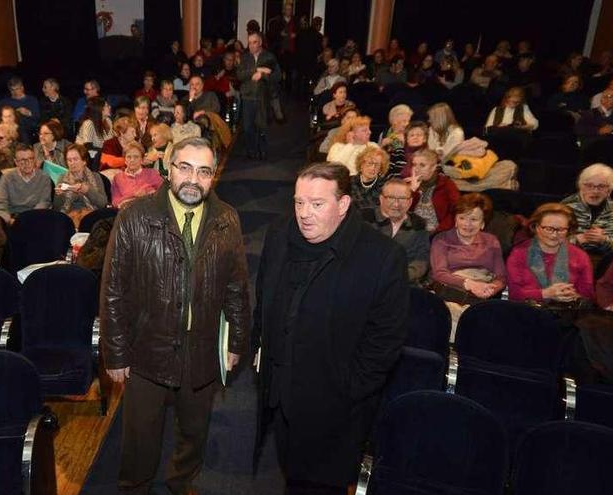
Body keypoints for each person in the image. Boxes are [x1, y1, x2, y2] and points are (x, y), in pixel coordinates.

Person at [101, 137, 250, 494]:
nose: (193, 179)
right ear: (169, 170)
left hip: (201, 349)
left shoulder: (228, 219)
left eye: (203, 171)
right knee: (140, 437)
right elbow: (113, 290)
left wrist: (237, 341)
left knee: (195, 430)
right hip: (146, 349)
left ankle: (181, 482)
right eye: (185, 167)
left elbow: (236, 286)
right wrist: (116, 352)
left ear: (213, 176)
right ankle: (135, 487)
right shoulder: (134, 217)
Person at [254, 161, 408, 493]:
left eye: (317, 204)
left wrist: (346, 390)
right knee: (291, 475)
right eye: (298, 202)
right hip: (282, 397)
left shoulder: (382, 257)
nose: (304, 213)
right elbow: (264, 299)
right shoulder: (280, 235)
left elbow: (385, 342)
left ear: (343, 204)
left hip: (335, 412)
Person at [430, 193, 506, 308]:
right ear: (455, 219)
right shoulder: (441, 239)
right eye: (462, 218)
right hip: (452, 292)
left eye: (474, 219)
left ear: (483, 223)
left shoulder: (491, 241)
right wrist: (469, 284)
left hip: (482, 293)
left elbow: (501, 278)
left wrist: (490, 289)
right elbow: (439, 273)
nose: (467, 224)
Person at [507, 203, 593, 303]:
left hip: (566, 311)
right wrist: (546, 293)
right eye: (548, 229)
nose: (554, 235)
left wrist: (572, 296)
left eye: (561, 230)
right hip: (526, 311)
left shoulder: (580, 256)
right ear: (536, 227)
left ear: (569, 231)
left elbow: (587, 296)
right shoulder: (519, 253)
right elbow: (514, 294)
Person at [361, 178, 430, 284]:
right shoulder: (363, 218)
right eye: (391, 198)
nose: (396, 204)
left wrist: (397, 277)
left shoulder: (418, 225)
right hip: (364, 281)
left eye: (402, 199)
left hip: (401, 284)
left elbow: (421, 261)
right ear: (381, 199)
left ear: (410, 201)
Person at [561, 163, 613, 256]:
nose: (595, 191)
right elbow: (549, 241)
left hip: (605, 264)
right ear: (581, 186)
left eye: (601, 186)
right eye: (589, 185)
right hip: (568, 260)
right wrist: (577, 240)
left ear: (610, 190)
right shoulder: (566, 207)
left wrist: (604, 240)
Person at [237, 31, 281, 160]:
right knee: (247, 127)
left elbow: (277, 76)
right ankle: (251, 150)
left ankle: (262, 150)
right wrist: (256, 70)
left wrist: (263, 75)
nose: (251, 45)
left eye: (254, 42)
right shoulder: (244, 57)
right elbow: (239, 75)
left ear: (260, 42)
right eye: (249, 42)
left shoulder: (269, 57)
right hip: (248, 96)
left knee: (262, 126)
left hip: (263, 96)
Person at [0, 143, 52, 226]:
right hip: (12, 218)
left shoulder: (44, 177)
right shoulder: (7, 178)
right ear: (16, 162)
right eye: (23, 160)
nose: (27, 163)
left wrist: (28, 219)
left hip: (35, 217)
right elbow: (0, 204)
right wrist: (9, 220)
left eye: (30, 159)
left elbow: (44, 202)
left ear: (34, 160)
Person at [53, 144, 108, 225]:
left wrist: (88, 191)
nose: (72, 163)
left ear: (84, 161)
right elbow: (57, 208)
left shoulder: (95, 177)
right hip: (70, 216)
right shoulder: (62, 178)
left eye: (75, 159)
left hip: (92, 214)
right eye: (69, 160)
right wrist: (59, 195)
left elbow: (103, 203)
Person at [408, 148, 459, 235]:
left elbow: (456, 211)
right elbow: (404, 211)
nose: (416, 169)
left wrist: (438, 230)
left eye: (422, 165)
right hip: (412, 231)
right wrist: (412, 191)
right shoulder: (408, 184)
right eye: (414, 165)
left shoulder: (447, 184)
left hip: (438, 232)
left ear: (433, 167)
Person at [112, 141, 163, 208]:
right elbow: (115, 201)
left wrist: (147, 193)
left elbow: (163, 194)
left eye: (136, 157)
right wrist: (133, 196)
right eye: (129, 157)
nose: (132, 160)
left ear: (142, 160)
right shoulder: (117, 178)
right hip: (127, 211)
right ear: (125, 160)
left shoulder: (152, 173)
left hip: (149, 208)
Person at [0, 76, 41, 142]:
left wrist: (28, 113)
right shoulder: (4, 102)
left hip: (27, 127)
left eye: (17, 89)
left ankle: (25, 148)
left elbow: (38, 117)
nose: (15, 92)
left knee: (20, 125)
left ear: (22, 88)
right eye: (12, 90)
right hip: (8, 126)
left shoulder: (31, 100)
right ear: (9, 90)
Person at [379, 104, 412, 178]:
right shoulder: (384, 134)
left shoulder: (411, 134)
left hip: (404, 169)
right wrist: (382, 146)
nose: (407, 124)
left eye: (408, 121)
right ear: (394, 121)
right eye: (404, 121)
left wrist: (406, 144)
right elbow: (379, 155)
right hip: (387, 168)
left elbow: (415, 154)